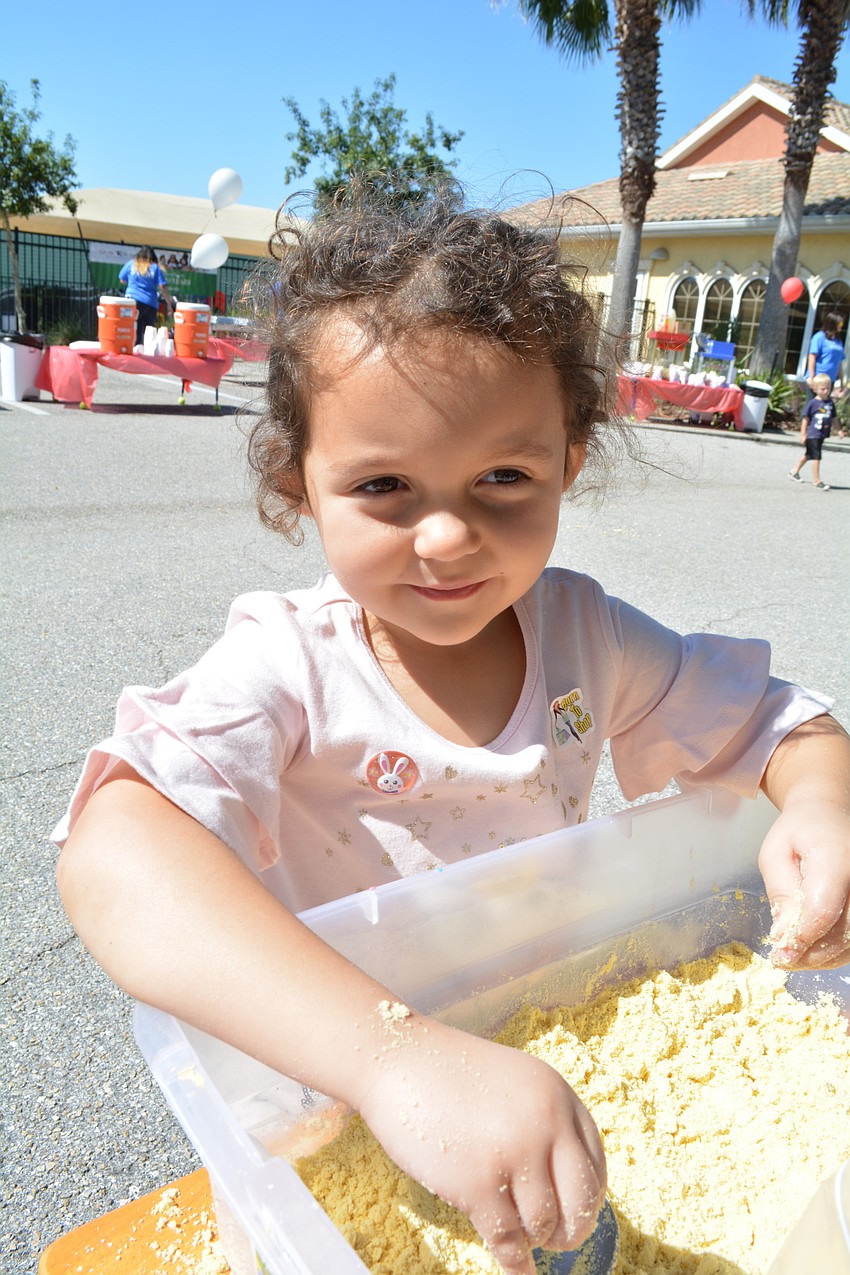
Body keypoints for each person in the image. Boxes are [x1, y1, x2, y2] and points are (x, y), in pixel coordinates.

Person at [54, 189, 850, 1275]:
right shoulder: (287, 669)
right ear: (301, 482)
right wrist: (390, 1059)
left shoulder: (586, 637)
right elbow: (113, 853)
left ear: (568, 462)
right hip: (327, 1084)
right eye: (383, 486)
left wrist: (818, 800)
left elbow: (773, 721)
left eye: (502, 480)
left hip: (546, 1025)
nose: (445, 535)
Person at [118, 246, 175, 347]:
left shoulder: (131, 264)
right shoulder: (155, 267)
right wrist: (169, 304)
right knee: (148, 332)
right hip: (150, 303)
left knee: (134, 329)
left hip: (132, 301)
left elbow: (122, 280)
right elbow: (162, 287)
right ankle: (146, 353)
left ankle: (134, 350)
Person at [789, 373, 837, 489]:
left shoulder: (829, 403)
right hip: (813, 434)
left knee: (809, 454)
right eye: (823, 389)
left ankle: (794, 472)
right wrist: (803, 434)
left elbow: (834, 418)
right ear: (815, 389)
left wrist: (839, 430)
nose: (826, 391)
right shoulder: (813, 403)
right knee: (816, 457)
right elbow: (805, 419)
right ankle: (817, 480)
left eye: (828, 388)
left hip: (822, 435)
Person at [807, 310, 846, 396]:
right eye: (840, 323)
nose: (842, 325)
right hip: (818, 378)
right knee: (814, 405)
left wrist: (842, 381)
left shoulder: (838, 341)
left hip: (830, 380)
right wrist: (811, 377)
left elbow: (839, 362)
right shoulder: (819, 337)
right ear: (832, 323)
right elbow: (812, 356)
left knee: (824, 407)